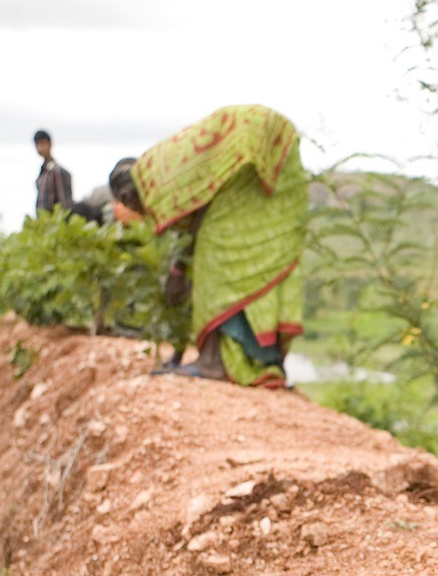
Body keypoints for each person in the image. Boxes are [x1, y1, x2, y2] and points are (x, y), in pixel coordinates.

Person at [107, 105, 307, 387]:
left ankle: (213, 362)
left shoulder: (155, 184)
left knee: (214, 261)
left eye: (129, 205)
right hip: (275, 153)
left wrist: (177, 273)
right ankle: (255, 360)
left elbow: (196, 223)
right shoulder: (160, 167)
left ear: (128, 195)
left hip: (261, 147)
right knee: (238, 260)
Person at [32, 129, 77, 216]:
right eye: (37, 144)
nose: (40, 148)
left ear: (50, 144)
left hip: (55, 223)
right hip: (43, 223)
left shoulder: (58, 172)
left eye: (42, 143)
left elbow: (66, 203)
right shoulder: (42, 173)